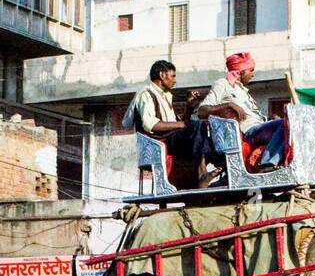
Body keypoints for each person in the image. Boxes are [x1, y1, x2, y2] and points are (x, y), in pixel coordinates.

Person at [123, 60, 219, 188]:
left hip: (171, 138)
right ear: (162, 75)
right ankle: (202, 172)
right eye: (172, 76)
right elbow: (150, 125)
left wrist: (189, 107)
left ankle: (218, 166)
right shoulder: (146, 94)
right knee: (198, 125)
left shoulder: (165, 96)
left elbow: (178, 123)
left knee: (206, 126)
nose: (175, 80)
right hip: (160, 141)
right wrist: (181, 125)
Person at [195, 52, 287, 170]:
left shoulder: (243, 90)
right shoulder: (223, 84)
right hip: (249, 132)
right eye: (250, 70)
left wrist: (269, 119)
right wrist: (228, 105)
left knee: (289, 124)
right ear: (240, 71)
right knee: (284, 124)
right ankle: (267, 164)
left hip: (259, 127)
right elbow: (202, 111)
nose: (252, 74)